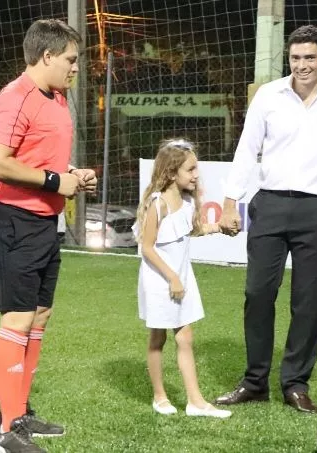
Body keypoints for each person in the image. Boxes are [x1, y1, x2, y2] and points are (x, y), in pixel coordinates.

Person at [214, 25, 317, 414]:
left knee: (307, 302)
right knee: (257, 294)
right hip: (269, 205)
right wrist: (231, 201)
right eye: (295, 58)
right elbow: (247, 149)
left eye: (310, 58)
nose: (302, 65)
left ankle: (295, 384)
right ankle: (254, 382)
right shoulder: (269, 96)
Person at [0, 19, 97, 453]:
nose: (76, 67)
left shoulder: (57, 97)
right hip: (11, 219)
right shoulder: (15, 98)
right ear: (47, 56)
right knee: (17, 319)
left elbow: (40, 158)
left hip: (45, 221)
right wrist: (53, 181)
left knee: (40, 315)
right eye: (70, 59)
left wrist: (71, 174)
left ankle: (20, 413)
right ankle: (8, 431)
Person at [133, 138, 232, 419]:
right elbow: (147, 248)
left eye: (196, 168)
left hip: (181, 277)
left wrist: (219, 227)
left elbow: (192, 230)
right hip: (160, 279)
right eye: (190, 169)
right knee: (158, 337)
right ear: (171, 172)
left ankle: (195, 402)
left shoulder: (188, 202)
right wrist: (172, 278)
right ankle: (160, 396)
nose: (196, 175)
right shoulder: (158, 204)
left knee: (185, 337)